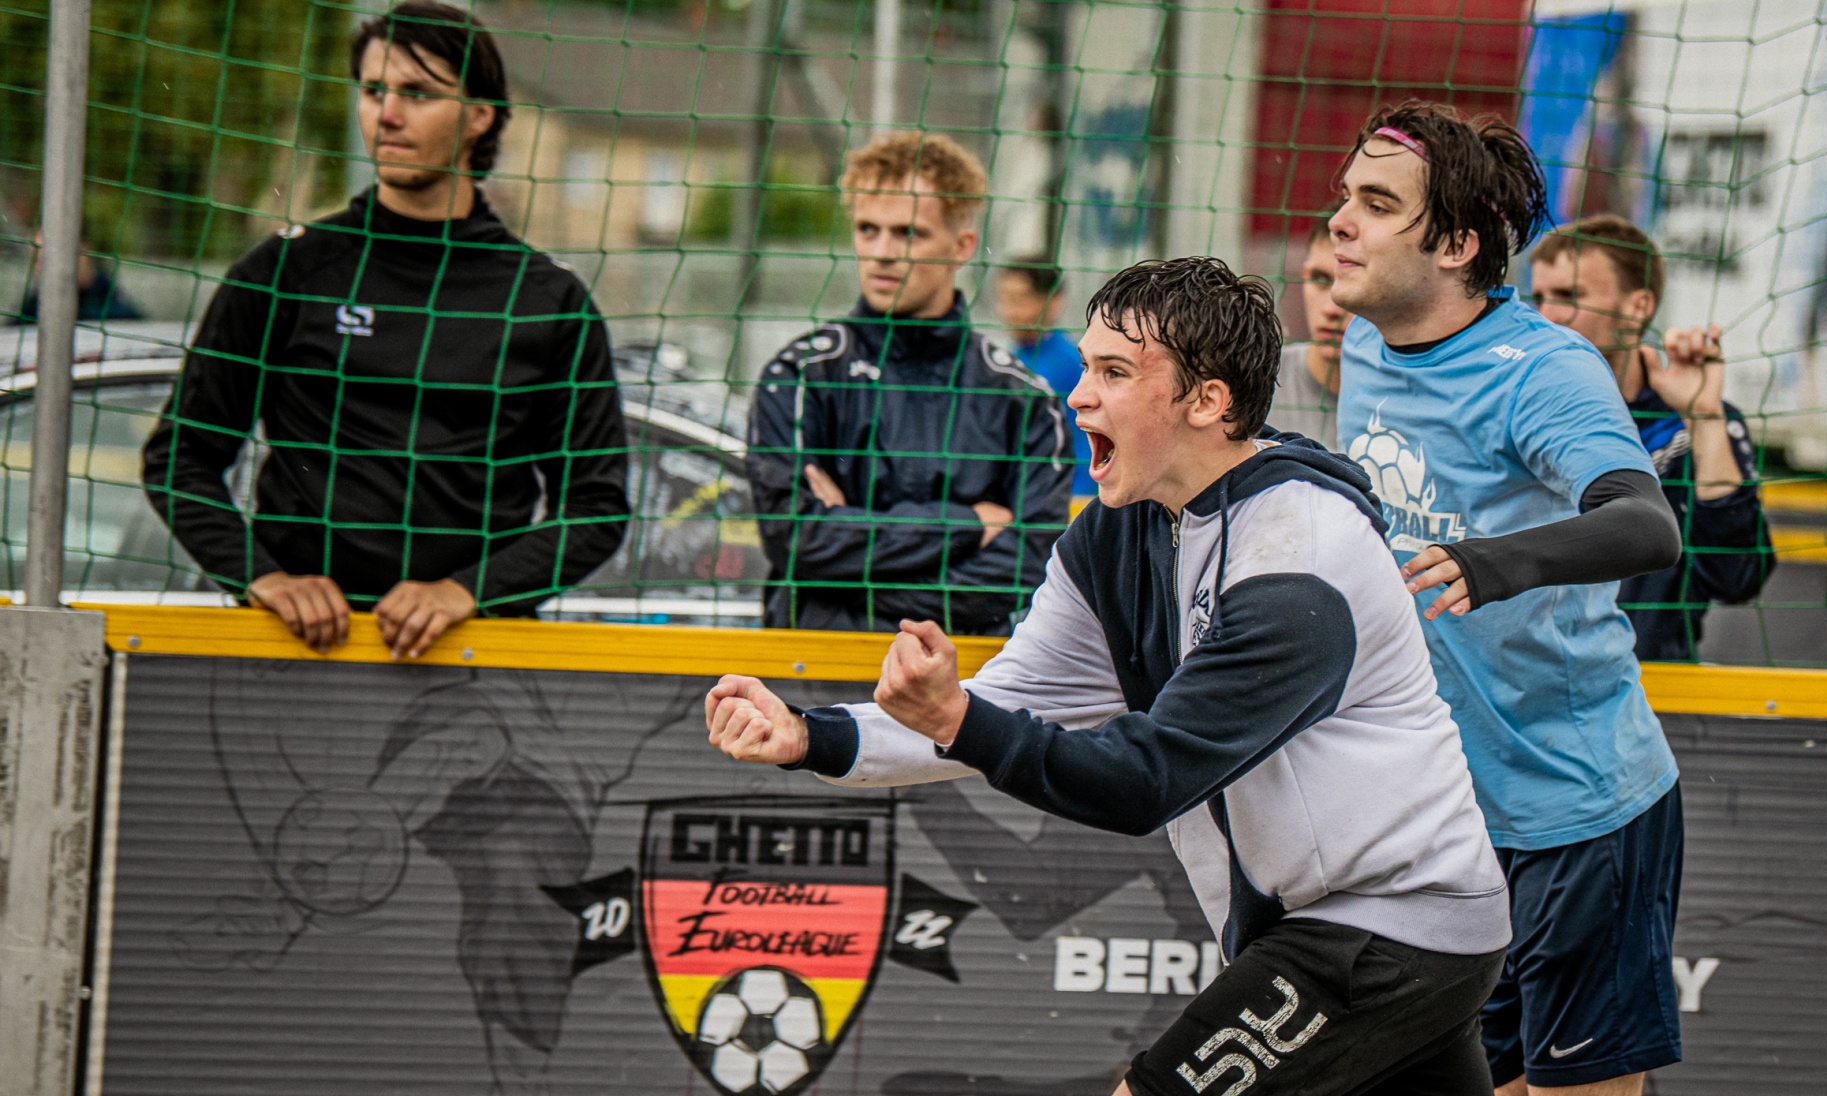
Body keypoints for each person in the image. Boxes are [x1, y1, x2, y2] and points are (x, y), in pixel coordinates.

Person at [707, 256, 1724, 1096]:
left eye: (1112, 371)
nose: (1077, 395)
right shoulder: (1117, 535)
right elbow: (1006, 703)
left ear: (1208, 400)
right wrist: (813, 736)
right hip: (1391, 924)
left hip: (1385, 927)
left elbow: (1142, 778)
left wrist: (960, 722)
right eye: (1086, 366)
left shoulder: (1300, 555)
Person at [1326, 101, 1825, 1096]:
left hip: (1583, 805)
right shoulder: (1367, 344)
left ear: (1459, 243)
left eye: (1376, 205)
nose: (1341, 223)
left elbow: (1647, 524)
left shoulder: (1543, 371)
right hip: (1456, 818)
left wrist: (1489, 566)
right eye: (1348, 196)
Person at [141, 1, 628, 660]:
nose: (387, 114)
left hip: (475, 666)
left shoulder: (548, 301)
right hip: (292, 656)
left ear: (480, 116)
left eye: (418, 93)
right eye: (374, 91)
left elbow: (596, 506)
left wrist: (467, 593)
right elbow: (179, 458)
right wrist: (261, 577)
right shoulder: (286, 271)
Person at [749, 132, 1069, 634]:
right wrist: (966, 525)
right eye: (867, 229)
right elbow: (794, 540)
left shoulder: (1023, 398)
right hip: (815, 666)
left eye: (908, 233)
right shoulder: (799, 376)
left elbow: (1028, 567)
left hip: (962, 672)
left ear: (962, 246)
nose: (882, 252)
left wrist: (841, 567)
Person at [1526, 216, 1773, 661]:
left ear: (1638, 307)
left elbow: (1738, 578)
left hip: (1651, 681)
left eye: (1569, 296)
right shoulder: (1514, 411)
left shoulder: (1685, 423)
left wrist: (1703, 417)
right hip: (1524, 678)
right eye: (1539, 297)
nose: (1547, 315)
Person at [995, 256, 1093, 495]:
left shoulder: (1074, 364)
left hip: (1068, 496)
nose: (1009, 311)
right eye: (1004, 298)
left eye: (1020, 299)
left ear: (1053, 301)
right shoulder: (1006, 359)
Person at [1265, 217, 1346, 449]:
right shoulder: (1252, 381)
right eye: (1320, 279)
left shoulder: (1424, 400)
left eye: (1352, 283)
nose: (1331, 309)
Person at [13, 232, 144, 323]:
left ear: (83, 251)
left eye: (51, 259)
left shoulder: (116, 309)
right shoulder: (30, 310)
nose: (41, 268)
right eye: (36, 261)